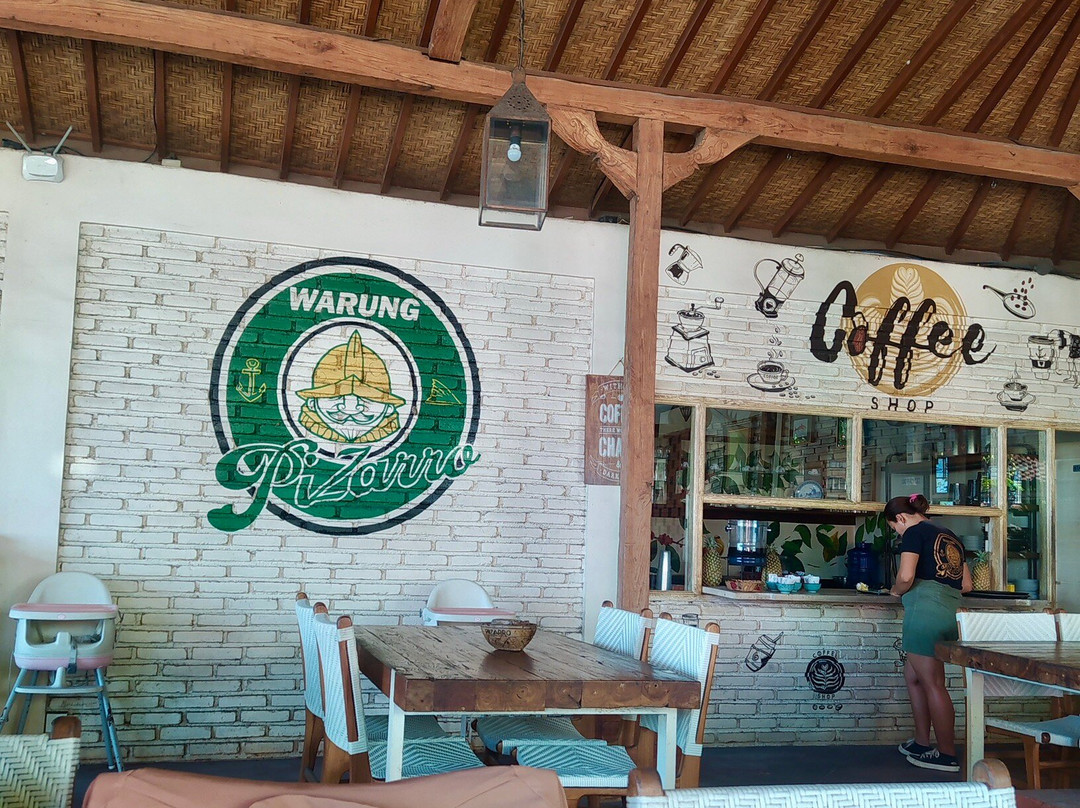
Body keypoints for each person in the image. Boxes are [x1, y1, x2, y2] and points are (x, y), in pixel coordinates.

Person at [885, 493, 972, 773]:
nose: (898, 533)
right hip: (948, 611)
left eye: (895, 528)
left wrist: (895, 591)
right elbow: (966, 584)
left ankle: (947, 754)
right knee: (914, 676)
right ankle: (922, 743)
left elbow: (906, 576)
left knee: (933, 683)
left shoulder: (913, 533)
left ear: (901, 518)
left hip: (924, 611)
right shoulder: (949, 536)